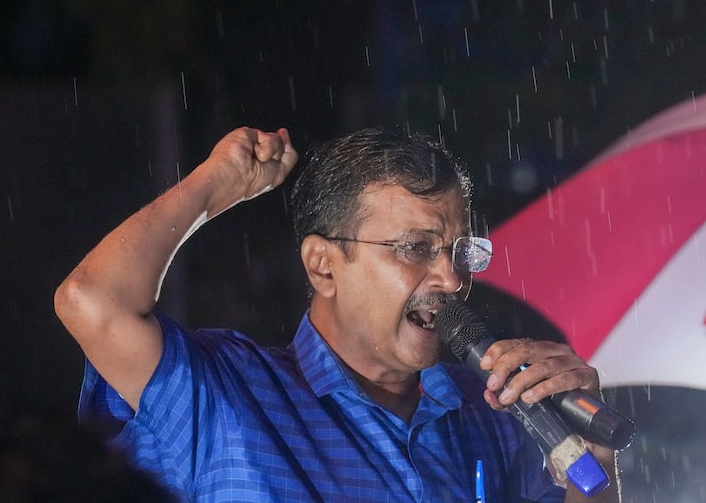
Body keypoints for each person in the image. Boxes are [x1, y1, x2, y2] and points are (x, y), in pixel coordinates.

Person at [54, 126, 620, 502]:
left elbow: (590, 488)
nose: (452, 279)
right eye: (414, 247)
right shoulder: (225, 395)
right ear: (323, 266)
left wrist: (591, 461)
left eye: (460, 251)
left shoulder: (493, 415)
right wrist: (215, 184)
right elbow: (92, 300)